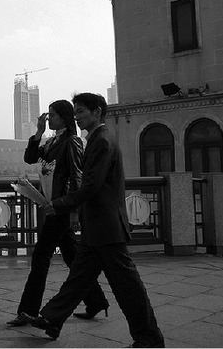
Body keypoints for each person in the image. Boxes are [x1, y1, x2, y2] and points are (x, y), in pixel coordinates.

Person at [21, 93, 164, 348]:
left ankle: (150, 338)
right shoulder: (91, 140)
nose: (77, 116)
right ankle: (51, 319)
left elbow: (90, 185)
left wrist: (61, 205)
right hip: (96, 225)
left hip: (107, 227)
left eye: (81, 111)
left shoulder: (100, 142)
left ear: (97, 112)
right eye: (75, 112)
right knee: (77, 278)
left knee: (128, 287)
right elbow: (33, 157)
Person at [7, 100, 108, 327]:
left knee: (41, 256)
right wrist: (38, 132)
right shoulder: (53, 141)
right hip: (52, 205)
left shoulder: (72, 142)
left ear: (63, 117)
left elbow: (77, 176)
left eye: (52, 115)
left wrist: (70, 209)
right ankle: (96, 300)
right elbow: (31, 158)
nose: (48, 118)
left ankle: (28, 311)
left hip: (60, 207)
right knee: (73, 256)